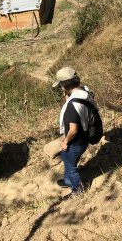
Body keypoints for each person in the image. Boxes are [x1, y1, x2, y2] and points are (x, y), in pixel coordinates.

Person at [49, 67, 97, 198]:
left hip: (75, 141)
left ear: (65, 85)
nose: (60, 88)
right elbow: (71, 103)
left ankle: (78, 190)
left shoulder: (72, 107)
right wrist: (67, 94)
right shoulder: (84, 92)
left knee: (71, 167)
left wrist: (65, 141)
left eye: (61, 85)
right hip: (84, 137)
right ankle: (68, 181)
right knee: (65, 157)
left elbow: (73, 130)